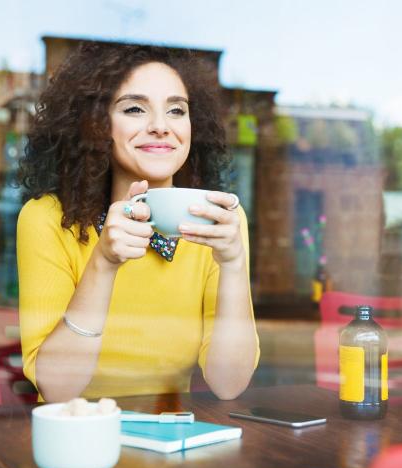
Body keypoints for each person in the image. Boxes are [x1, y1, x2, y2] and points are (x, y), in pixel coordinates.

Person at [17, 44, 258, 402]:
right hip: (74, 438)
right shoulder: (47, 218)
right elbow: (57, 389)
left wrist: (234, 264)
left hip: (174, 442)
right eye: (134, 108)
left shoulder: (222, 222)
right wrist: (103, 263)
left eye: (176, 110)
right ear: (96, 123)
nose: (161, 127)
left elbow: (229, 384)